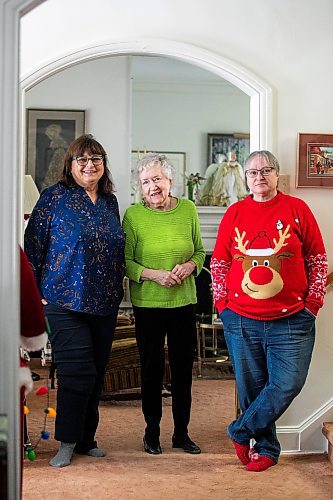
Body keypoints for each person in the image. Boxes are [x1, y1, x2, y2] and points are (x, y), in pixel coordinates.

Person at [211, 150, 328, 472]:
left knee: (288, 382)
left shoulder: (297, 209)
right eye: (252, 172)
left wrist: (312, 304)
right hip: (241, 318)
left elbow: (317, 259)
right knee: (252, 389)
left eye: (266, 171)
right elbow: (219, 262)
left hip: (293, 319)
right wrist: (224, 307)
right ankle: (265, 450)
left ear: (277, 174)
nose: (259, 177)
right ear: (245, 178)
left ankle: (240, 431)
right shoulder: (235, 212)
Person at [24, 134, 125, 468]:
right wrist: (36, 293)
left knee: (96, 375)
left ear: (103, 165)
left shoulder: (110, 201)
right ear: (70, 165)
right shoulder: (54, 197)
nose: (89, 165)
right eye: (81, 159)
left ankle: (86, 439)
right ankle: (66, 441)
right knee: (76, 372)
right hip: (62, 299)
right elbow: (34, 243)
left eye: (96, 159)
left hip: (105, 301)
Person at [122, 153, 205, 455]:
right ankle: (151, 432)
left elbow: (199, 251)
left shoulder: (188, 210)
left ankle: (181, 434)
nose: (152, 186)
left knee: (183, 370)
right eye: (146, 182)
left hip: (183, 302)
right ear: (140, 188)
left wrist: (190, 266)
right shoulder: (133, 215)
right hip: (148, 305)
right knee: (152, 370)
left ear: (170, 180)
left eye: (157, 179)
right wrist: (153, 275)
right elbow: (126, 262)